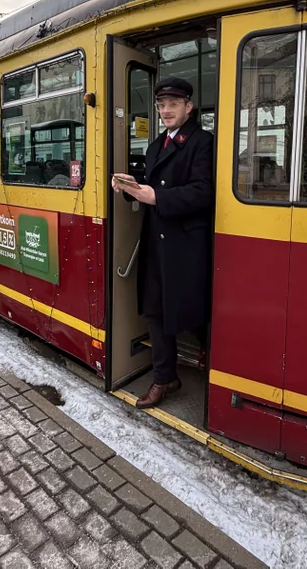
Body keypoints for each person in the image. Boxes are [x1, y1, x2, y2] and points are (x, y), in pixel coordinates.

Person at [112, 76, 214, 409]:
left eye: (172, 105)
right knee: (156, 313)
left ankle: (218, 378)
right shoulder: (157, 144)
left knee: (195, 314)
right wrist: (129, 183)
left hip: (186, 246)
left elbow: (204, 192)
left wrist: (158, 197)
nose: (166, 111)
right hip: (157, 242)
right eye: (161, 105)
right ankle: (164, 378)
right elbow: (151, 181)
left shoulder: (203, 142)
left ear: (188, 107)